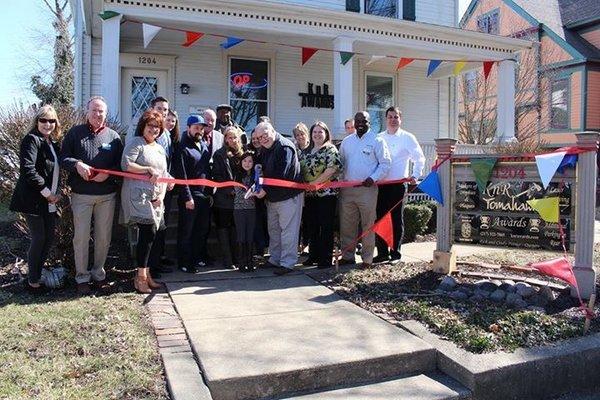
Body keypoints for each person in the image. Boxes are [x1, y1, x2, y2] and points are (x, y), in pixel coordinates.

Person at [61, 96, 124, 295]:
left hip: (106, 196)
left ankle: (98, 275)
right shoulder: (75, 133)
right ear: (87, 112)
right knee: (80, 238)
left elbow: (120, 165)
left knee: (103, 238)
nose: (98, 114)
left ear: (106, 114)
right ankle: (82, 278)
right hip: (81, 195)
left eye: (101, 111)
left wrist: (108, 174)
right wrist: (77, 164)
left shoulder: (114, 137)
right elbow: (63, 158)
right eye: (94, 110)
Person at [10, 105, 62, 294]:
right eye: (43, 120)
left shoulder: (52, 143)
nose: (47, 124)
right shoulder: (31, 140)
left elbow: (55, 170)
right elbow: (29, 170)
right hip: (34, 199)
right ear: (37, 121)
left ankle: (37, 277)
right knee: (39, 238)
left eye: (51, 120)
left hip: (49, 200)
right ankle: (33, 282)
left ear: (56, 123)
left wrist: (56, 193)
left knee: (48, 239)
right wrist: (48, 193)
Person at [120, 110, 173, 293]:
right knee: (147, 232)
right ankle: (140, 277)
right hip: (138, 196)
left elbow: (163, 172)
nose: (154, 130)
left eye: (157, 127)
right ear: (143, 126)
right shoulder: (136, 143)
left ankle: (147, 273)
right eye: (150, 126)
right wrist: (147, 169)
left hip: (157, 197)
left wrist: (165, 189)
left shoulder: (159, 147)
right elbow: (126, 165)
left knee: (156, 234)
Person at [338, 111, 391, 268]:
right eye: (358, 120)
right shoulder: (347, 142)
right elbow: (340, 164)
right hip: (347, 190)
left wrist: (373, 178)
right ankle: (348, 256)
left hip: (367, 190)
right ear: (354, 122)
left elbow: (385, 164)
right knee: (347, 225)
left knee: (368, 225)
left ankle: (367, 259)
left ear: (369, 123)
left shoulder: (377, 140)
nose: (360, 123)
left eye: (364, 121)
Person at [374, 106, 425, 264]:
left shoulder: (407, 137)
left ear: (400, 119)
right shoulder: (379, 137)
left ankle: (395, 254)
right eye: (390, 117)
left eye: (396, 117)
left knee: (396, 219)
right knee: (380, 219)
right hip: (381, 185)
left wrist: (415, 175)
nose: (393, 120)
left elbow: (420, 158)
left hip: (398, 185)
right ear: (386, 119)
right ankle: (382, 253)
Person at [253, 122, 303, 275]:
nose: (262, 139)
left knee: (288, 231)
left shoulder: (284, 147)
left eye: (265, 135)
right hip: (273, 198)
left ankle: (287, 263)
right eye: (259, 137)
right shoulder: (266, 148)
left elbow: (281, 174)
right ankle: (275, 259)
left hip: (288, 196)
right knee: (274, 230)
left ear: (273, 130)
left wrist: (264, 190)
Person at [300, 121, 342, 268]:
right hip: (310, 196)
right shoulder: (305, 151)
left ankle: (325, 259)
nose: (317, 135)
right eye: (314, 132)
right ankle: (313, 256)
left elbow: (331, 169)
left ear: (326, 134)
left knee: (325, 227)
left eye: (320, 132)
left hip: (326, 195)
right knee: (312, 227)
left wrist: (315, 184)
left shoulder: (330, 149)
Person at [173, 115, 212, 273]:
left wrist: (209, 194)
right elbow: (181, 176)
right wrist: (187, 197)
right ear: (188, 127)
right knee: (186, 231)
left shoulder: (203, 144)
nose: (199, 130)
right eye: (196, 127)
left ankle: (196, 259)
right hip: (189, 196)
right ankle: (184, 262)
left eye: (201, 128)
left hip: (203, 195)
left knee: (201, 230)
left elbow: (206, 171)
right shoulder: (182, 147)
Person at [211, 126, 244, 269]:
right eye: (228, 137)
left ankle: (237, 258)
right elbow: (217, 176)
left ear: (239, 138)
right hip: (223, 200)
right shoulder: (219, 154)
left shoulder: (243, 155)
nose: (232, 140)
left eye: (234, 137)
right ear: (225, 139)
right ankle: (227, 260)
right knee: (223, 228)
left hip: (240, 200)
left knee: (236, 229)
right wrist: (229, 190)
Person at [233, 151, 257, 272]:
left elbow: (258, 191)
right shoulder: (237, 175)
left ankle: (250, 261)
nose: (247, 163)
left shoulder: (255, 176)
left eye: (250, 161)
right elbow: (240, 193)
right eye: (245, 161)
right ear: (241, 162)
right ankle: (241, 262)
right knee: (241, 235)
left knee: (250, 236)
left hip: (251, 209)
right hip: (239, 209)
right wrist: (252, 192)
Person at [293, 122, 310, 255]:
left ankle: (306, 245)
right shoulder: (294, 149)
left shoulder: (312, 148)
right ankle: (297, 244)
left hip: (311, 189)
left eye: (302, 134)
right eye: (297, 135)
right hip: (297, 189)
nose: (300, 137)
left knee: (307, 219)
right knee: (298, 219)